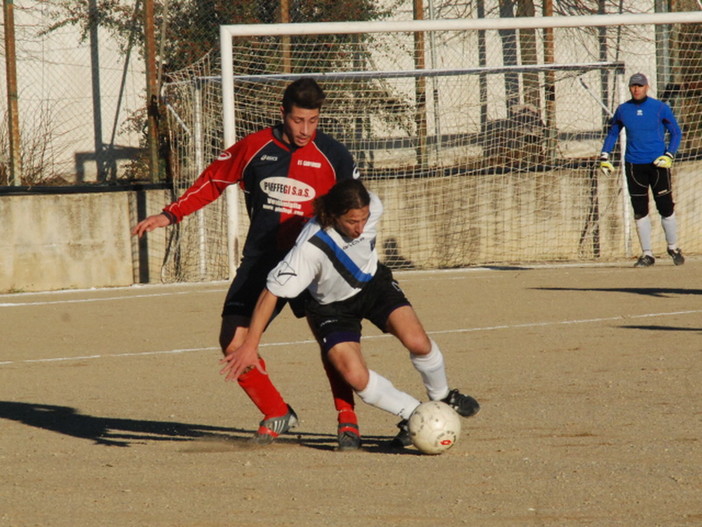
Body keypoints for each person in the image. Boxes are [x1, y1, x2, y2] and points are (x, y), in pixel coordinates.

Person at [132, 78, 362, 450]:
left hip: (315, 263)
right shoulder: (254, 148)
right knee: (233, 342)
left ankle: (347, 420)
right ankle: (276, 412)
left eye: (313, 121)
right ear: (283, 114)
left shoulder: (335, 156)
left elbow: (356, 208)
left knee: (332, 343)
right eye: (298, 120)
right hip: (262, 261)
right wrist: (171, 215)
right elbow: (212, 181)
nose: (305, 130)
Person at [220, 179, 480, 450]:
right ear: (332, 216)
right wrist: (250, 345)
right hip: (331, 309)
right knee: (355, 376)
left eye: (364, 219)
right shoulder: (310, 247)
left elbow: (364, 215)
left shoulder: (372, 208)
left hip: (373, 286)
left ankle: (443, 396)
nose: (360, 228)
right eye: (352, 221)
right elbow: (271, 292)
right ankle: (414, 413)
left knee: (418, 342)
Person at [599, 72, 684, 268]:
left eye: (640, 86)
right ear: (630, 88)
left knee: (665, 207)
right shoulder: (623, 110)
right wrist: (604, 155)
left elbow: (676, 132)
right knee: (640, 210)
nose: (636, 89)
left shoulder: (659, 108)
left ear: (647, 87)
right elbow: (613, 133)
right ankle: (647, 254)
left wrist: (669, 154)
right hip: (634, 165)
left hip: (657, 164)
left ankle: (673, 247)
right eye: (633, 86)